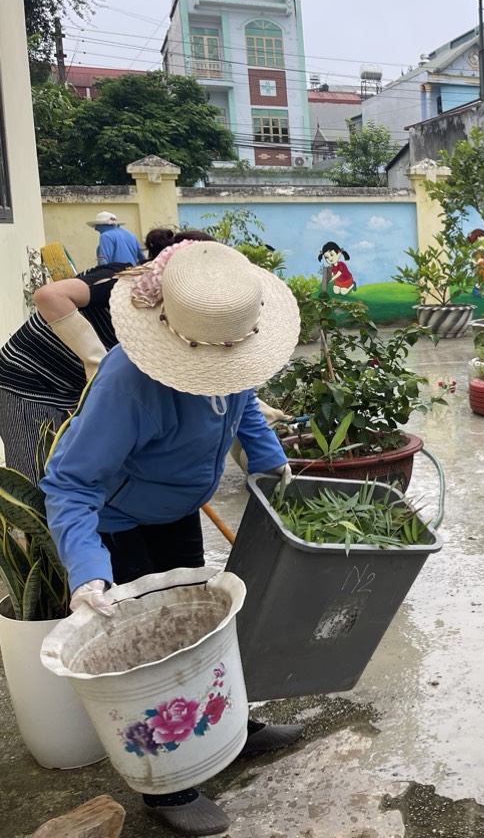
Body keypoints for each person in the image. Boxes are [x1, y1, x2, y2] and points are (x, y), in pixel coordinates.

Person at [40, 241, 304, 836]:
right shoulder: (128, 383)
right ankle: (168, 785)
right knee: (151, 650)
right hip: (119, 523)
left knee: (204, 623)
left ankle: (232, 726)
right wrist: (87, 572)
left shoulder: (227, 349)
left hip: (177, 510)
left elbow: (244, 408)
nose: (229, 365)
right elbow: (71, 483)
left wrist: (275, 472)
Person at [0, 229, 210, 482]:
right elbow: (49, 296)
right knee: (34, 484)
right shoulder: (121, 280)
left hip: (69, 390)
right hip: (24, 383)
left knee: (67, 477)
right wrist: (98, 364)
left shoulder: (170, 312)